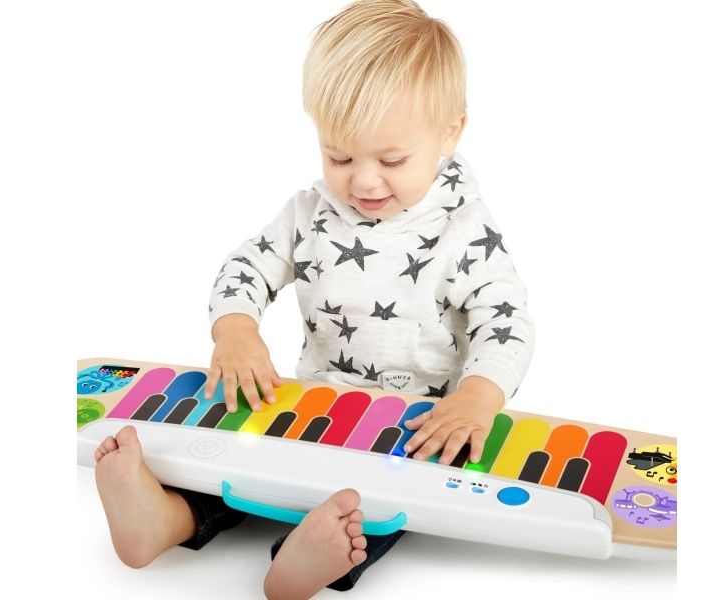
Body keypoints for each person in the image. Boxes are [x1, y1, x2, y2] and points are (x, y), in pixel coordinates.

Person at [93, 1, 534, 598]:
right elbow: (245, 268)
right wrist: (236, 330)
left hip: (412, 427)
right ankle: (165, 519)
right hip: (307, 407)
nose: (364, 181)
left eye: (393, 160)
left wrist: (478, 398)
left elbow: (505, 322)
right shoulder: (310, 213)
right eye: (339, 156)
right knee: (238, 468)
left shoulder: (466, 231)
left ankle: (304, 557)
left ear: (449, 132)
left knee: (376, 506)